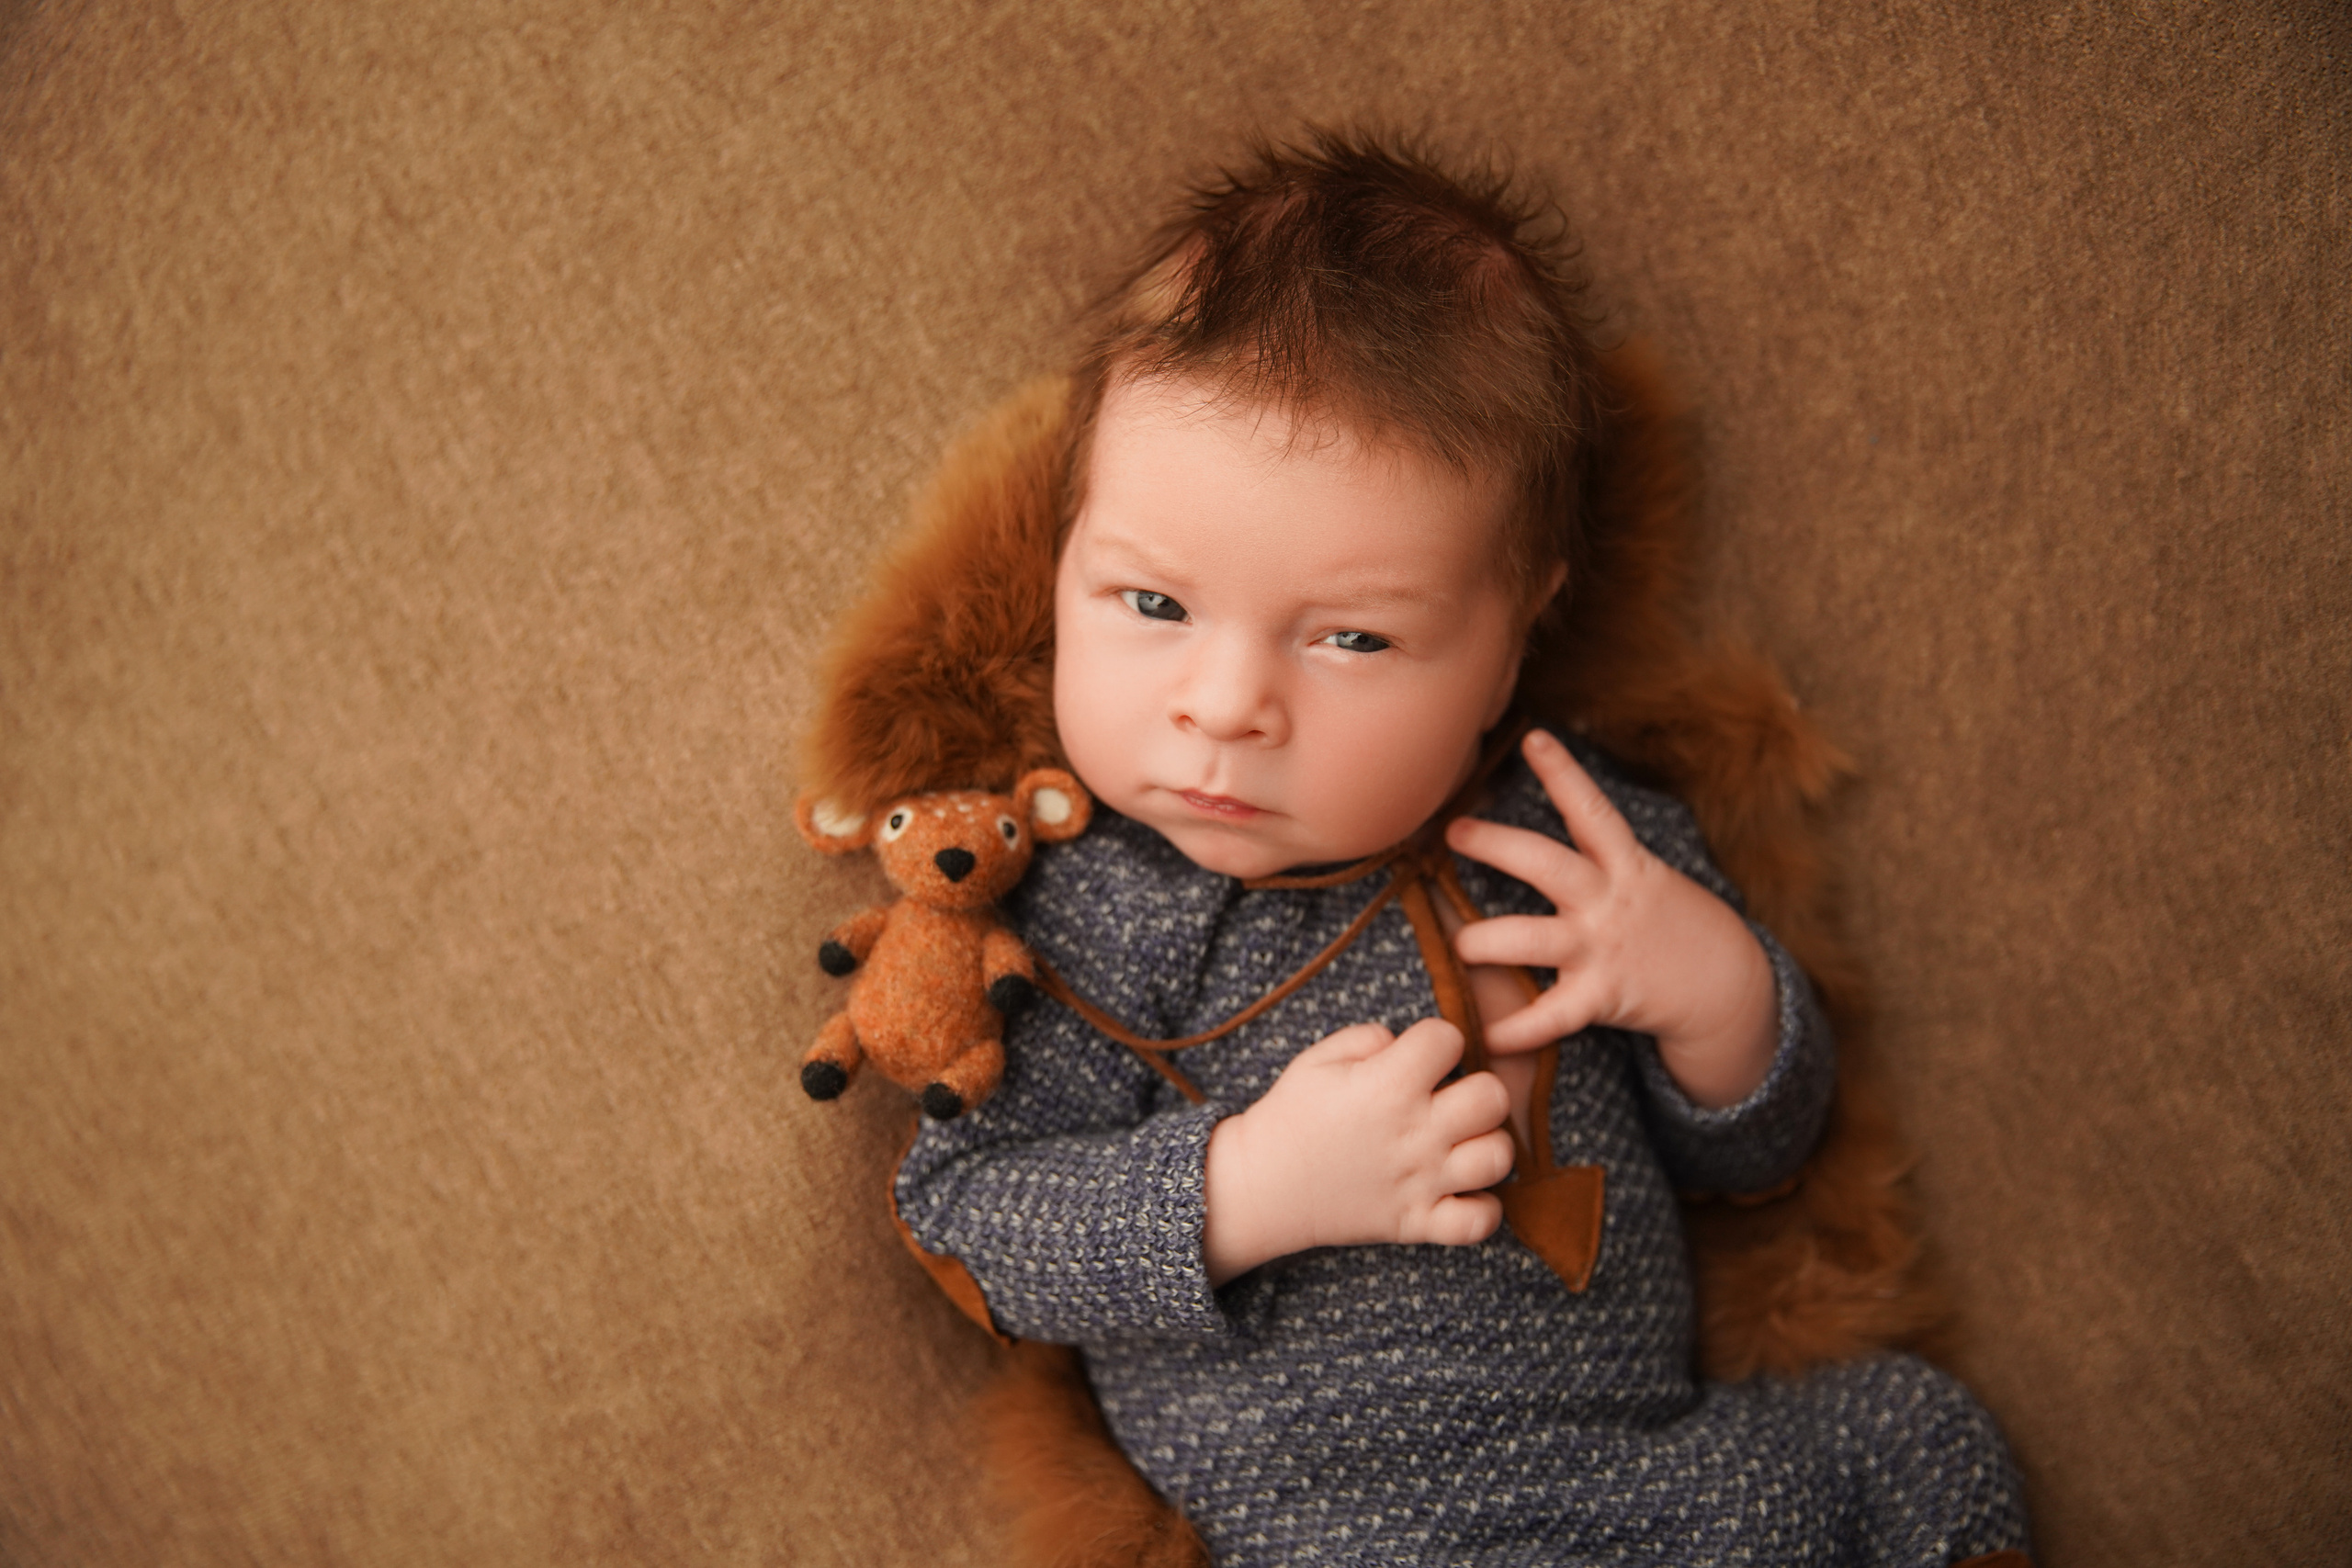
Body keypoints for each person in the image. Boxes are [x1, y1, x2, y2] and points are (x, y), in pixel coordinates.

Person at [888, 130, 2030, 1566]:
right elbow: (970, 1219)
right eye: (1154, 606)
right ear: (1063, 561)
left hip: (1667, 1495)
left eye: (1352, 637)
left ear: (1508, 645)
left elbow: (1762, 1148)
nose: (1227, 705)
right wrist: (1247, 1186)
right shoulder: (1092, 910)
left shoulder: (1572, 836)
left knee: (1910, 1432)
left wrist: (1717, 995)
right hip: (1344, 1540)